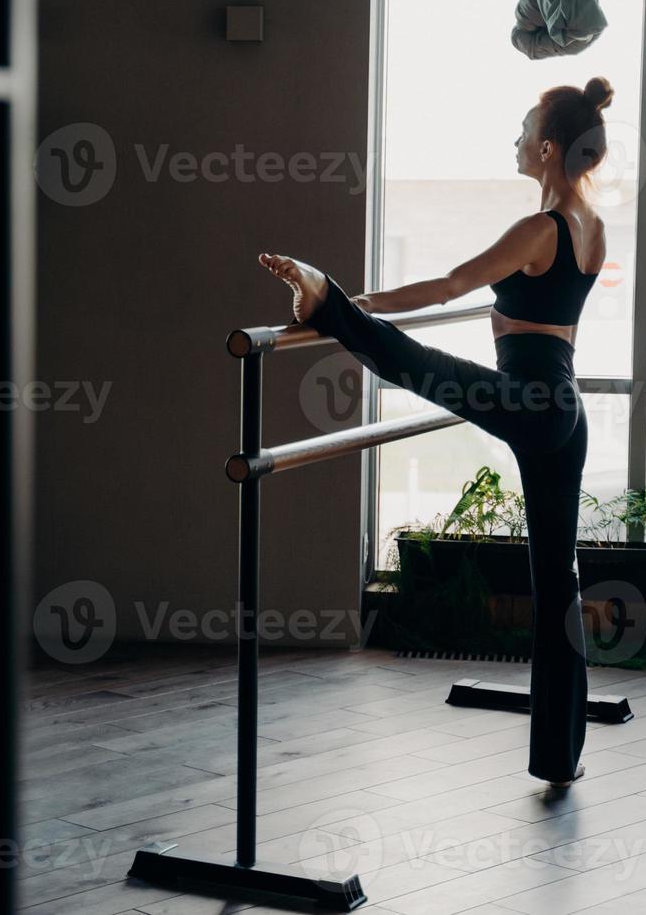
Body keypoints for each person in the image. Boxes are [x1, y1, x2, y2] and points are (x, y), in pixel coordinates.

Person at [259, 77, 614, 788]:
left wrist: (355, 306)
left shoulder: (538, 229)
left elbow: (451, 285)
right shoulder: (591, 226)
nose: (514, 140)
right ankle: (560, 756)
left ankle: (323, 295)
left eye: (522, 131)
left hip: (533, 399)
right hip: (560, 409)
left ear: (547, 149)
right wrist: (366, 310)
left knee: (414, 365)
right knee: (557, 584)